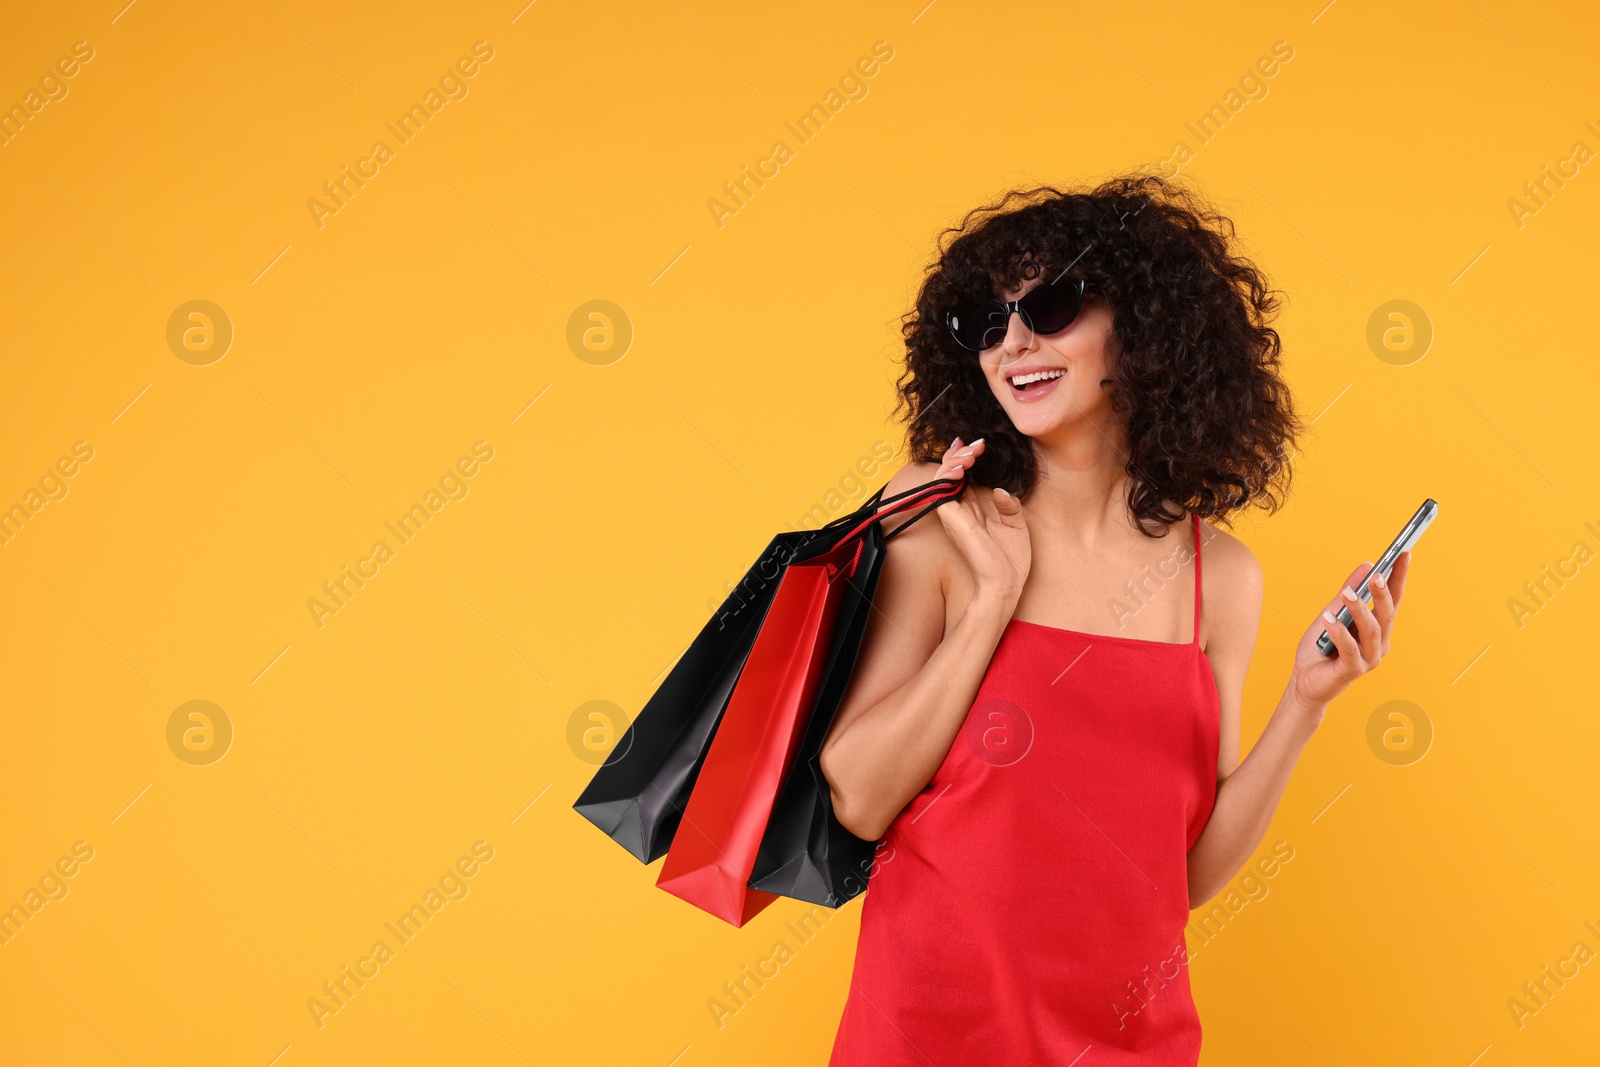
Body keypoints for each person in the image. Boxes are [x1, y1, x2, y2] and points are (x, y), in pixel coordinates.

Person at [818, 174, 1411, 1065]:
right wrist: (990, 603)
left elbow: (1187, 875)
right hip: (930, 1031)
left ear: (1141, 330)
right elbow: (858, 797)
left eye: (1052, 307)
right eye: (989, 322)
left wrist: (1307, 700)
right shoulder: (945, 527)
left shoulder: (1224, 579)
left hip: (1132, 1039)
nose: (1014, 340)